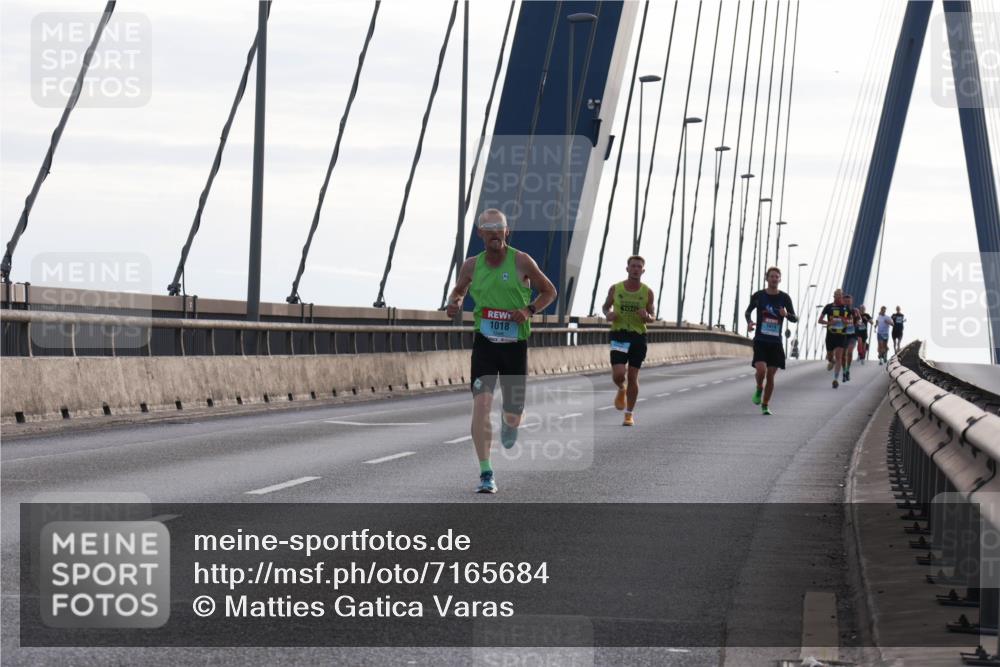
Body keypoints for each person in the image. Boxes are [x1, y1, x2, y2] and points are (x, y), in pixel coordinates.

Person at [446, 208, 557, 494]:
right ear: (480, 233)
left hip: (514, 346)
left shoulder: (521, 260)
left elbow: (549, 291)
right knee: (481, 405)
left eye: (500, 228)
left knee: (512, 414)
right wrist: (455, 302)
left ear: (507, 232)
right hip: (484, 343)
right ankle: (486, 473)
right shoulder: (471, 265)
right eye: (489, 228)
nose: (495, 232)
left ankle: (511, 424)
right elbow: (458, 290)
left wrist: (529, 309)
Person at [602, 255, 655, 426]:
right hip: (619, 334)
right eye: (633, 266)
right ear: (627, 269)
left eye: (639, 267)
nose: (635, 269)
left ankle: (629, 414)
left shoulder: (647, 292)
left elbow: (653, 316)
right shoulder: (616, 288)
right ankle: (621, 388)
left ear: (643, 270)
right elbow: (605, 306)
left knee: (633, 376)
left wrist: (647, 316)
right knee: (618, 374)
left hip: (638, 336)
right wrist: (607, 314)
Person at [744, 267, 798, 415]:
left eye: (777, 277)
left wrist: (786, 314)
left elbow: (795, 318)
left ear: (780, 279)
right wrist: (749, 322)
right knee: (761, 370)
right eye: (772, 276)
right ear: (766, 278)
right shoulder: (759, 296)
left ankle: (765, 404)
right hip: (761, 339)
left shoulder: (785, 298)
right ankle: (759, 387)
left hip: (775, 342)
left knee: (771, 375)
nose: (774, 279)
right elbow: (748, 311)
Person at [818, 288, 851, 389]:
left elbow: (849, 322)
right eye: (836, 295)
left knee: (839, 357)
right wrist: (829, 323)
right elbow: (820, 320)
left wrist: (844, 320)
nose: (838, 297)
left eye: (840, 295)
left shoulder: (846, 308)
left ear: (842, 296)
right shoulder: (828, 307)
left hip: (841, 336)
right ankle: (831, 361)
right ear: (834, 296)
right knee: (830, 356)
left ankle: (835, 379)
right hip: (830, 335)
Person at [842, 294, 859, 382]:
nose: (847, 303)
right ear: (843, 301)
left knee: (850, 352)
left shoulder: (855, 311)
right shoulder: (841, 310)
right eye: (846, 301)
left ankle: (847, 370)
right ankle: (844, 371)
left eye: (849, 301)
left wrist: (858, 323)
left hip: (853, 335)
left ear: (851, 302)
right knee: (843, 355)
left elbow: (859, 320)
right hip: (843, 335)